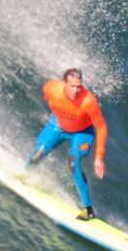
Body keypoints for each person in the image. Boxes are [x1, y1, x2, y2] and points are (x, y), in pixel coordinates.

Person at [25, 68, 108, 221]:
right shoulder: (51, 88)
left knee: (72, 162)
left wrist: (99, 157)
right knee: (37, 155)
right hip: (57, 125)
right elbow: (48, 98)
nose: (76, 90)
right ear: (64, 83)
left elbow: (101, 127)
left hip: (82, 132)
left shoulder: (88, 101)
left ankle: (88, 209)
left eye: (79, 86)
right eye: (72, 86)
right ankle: (25, 178)